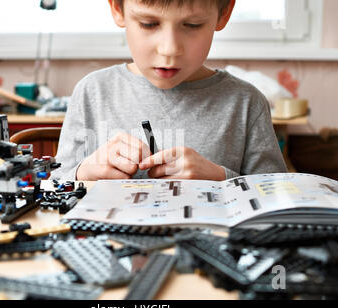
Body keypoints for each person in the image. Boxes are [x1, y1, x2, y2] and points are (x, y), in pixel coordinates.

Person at [51, 0, 287, 182]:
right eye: (149, 23)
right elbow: (54, 186)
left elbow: (275, 196)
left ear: (223, 13)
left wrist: (220, 178)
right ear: (117, 8)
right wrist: (83, 173)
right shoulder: (92, 92)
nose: (170, 49)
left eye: (192, 25)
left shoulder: (246, 103)